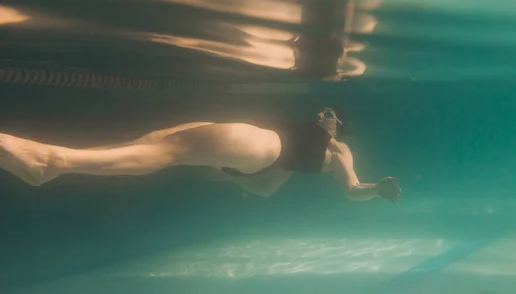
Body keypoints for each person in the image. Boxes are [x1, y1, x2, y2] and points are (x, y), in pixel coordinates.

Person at [0, 107, 401, 202]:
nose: (322, 115)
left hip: (261, 145)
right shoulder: (309, 157)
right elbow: (265, 189)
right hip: (256, 151)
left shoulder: (337, 147)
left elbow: (352, 188)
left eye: (330, 116)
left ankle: (52, 163)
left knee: (169, 150)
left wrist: (376, 188)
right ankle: (57, 163)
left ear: (339, 128)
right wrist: (231, 174)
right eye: (324, 113)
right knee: (157, 141)